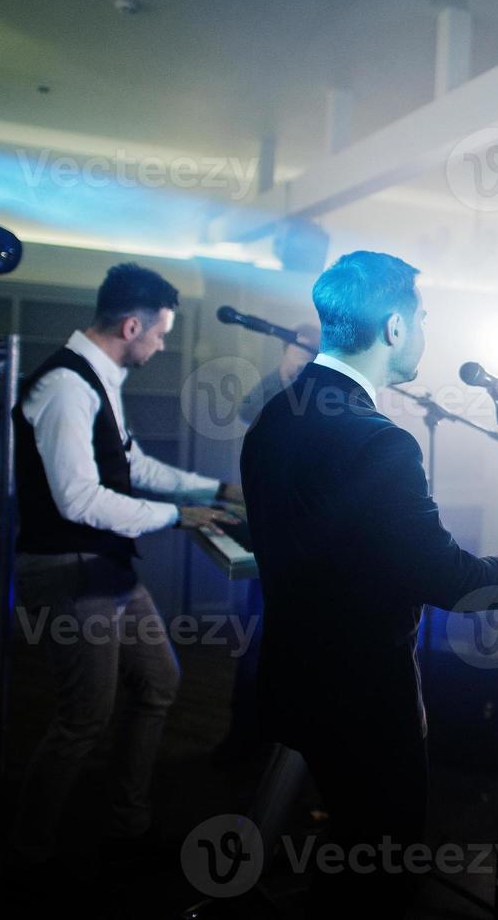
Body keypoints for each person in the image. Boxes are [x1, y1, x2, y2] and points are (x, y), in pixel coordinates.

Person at [240, 250, 498, 916]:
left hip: (294, 677)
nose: (427, 331)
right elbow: (438, 574)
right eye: (424, 316)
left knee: (350, 848)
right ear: (395, 329)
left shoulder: (275, 416)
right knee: (380, 868)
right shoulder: (379, 440)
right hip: (364, 700)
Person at [8, 263, 240, 871]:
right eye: (160, 333)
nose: (162, 345)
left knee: (159, 682)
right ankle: (27, 855)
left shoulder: (101, 378)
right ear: (132, 325)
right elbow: (78, 500)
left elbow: (133, 466)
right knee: (82, 720)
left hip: (103, 568)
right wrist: (178, 517)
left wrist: (215, 488)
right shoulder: (66, 386)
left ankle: (126, 823)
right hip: (69, 570)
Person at [211, 319, 322, 765]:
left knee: (300, 656)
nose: (302, 359)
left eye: (311, 354)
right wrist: (283, 375)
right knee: (257, 645)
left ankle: (286, 755)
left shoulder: (327, 399)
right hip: (273, 541)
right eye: (297, 350)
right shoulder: (273, 389)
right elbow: (246, 411)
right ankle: (244, 744)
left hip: (309, 546)